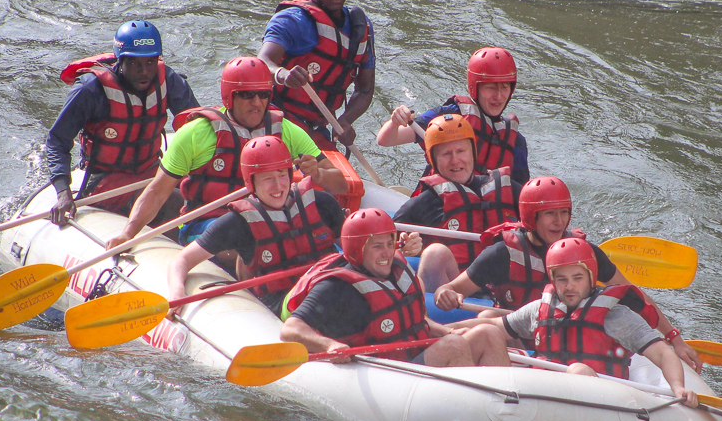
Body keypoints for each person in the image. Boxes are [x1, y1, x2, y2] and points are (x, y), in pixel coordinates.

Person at [433, 176, 704, 371]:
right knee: (487, 317)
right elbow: (454, 289)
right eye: (550, 214)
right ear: (531, 217)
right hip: (521, 325)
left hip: (569, 332)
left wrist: (674, 339)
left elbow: (635, 296)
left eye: (564, 213)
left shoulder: (582, 253)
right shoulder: (502, 253)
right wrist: (445, 294)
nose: (559, 221)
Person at [106, 57, 346, 248]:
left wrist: (319, 175)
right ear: (229, 97)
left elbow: (340, 185)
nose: (257, 102)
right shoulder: (196, 133)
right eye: (247, 95)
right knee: (250, 240)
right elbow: (158, 192)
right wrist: (128, 233)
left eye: (263, 94)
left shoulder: (286, 130)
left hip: (271, 224)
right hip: (208, 228)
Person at [468, 237, 698, 406]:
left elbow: (663, 354)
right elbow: (493, 328)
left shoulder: (614, 315)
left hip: (601, 405)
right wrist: (439, 329)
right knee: (483, 332)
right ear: (553, 280)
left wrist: (677, 386)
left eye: (577, 278)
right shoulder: (540, 309)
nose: (569, 287)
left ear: (591, 277)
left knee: (577, 371)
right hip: (540, 398)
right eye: (562, 279)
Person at [280, 209, 510, 367]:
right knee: (453, 346)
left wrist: (445, 331)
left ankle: (505, 409)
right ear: (357, 250)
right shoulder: (336, 288)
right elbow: (290, 330)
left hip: (418, 357)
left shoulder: (397, 269)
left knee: (489, 333)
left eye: (390, 244)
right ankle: (474, 414)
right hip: (391, 373)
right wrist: (329, 345)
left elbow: (416, 320)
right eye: (377, 247)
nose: (387, 253)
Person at [165, 136, 344, 315]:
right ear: (251, 182)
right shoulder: (239, 223)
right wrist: (177, 291)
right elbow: (181, 260)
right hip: (286, 305)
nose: (278, 186)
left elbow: (351, 254)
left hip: (330, 289)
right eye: (267, 179)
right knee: (323, 296)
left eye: (282, 175)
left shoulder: (322, 204)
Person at [47, 20, 198, 226]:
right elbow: (57, 141)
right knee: (173, 202)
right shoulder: (91, 90)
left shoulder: (169, 80)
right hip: (106, 183)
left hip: (151, 170)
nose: (144, 71)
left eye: (150, 63)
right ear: (120, 61)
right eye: (135, 63)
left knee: (199, 192)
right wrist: (63, 192)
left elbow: (196, 129)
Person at [258, 0, 375, 151]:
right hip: (275, 118)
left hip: (316, 127)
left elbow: (364, 89)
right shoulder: (292, 20)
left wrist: (345, 121)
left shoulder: (360, 28)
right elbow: (261, 64)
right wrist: (282, 74)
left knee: (335, 181)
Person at [393, 114, 521, 293]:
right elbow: (386, 236)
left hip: (507, 297)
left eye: (461, 151)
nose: (455, 160)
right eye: (446, 154)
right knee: (434, 254)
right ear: (433, 161)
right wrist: (407, 246)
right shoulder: (425, 201)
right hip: (454, 297)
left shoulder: (508, 189)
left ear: (472, 152)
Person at [376, 47, 530, 184]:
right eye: (490, 88)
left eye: (504, 88)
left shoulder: (516, 141)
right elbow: (386, 140)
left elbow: (520, 194)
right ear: (474, 88)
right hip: (440, 206)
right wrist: (395, 122)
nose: (498, 96)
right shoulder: (448, 116)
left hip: (483, 211)